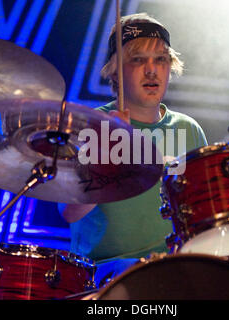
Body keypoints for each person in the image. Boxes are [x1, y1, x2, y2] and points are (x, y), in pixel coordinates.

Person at [59, 13, 208, 287]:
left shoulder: (189, 130)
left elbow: (206, 215)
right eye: (138, 59)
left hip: (174, 273)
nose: (152, 70)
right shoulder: (89, 126)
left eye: (161, 59)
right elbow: (70, 212)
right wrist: (108, 151)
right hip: (102, 276)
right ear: (115, 70)